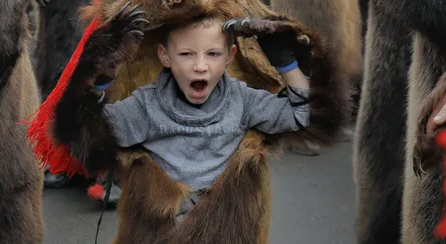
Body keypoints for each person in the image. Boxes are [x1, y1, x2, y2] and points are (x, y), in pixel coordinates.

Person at [92, 16, 311, 220]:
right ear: (165, 56)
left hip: (225, 227)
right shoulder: (146, 107)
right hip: (165, 229)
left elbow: (300, 115)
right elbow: (92, 131)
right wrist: (103, 72)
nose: (200, 67)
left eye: (213, 54)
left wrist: (285, 63)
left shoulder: (241, 100)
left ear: (230, 56)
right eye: (186, 54)